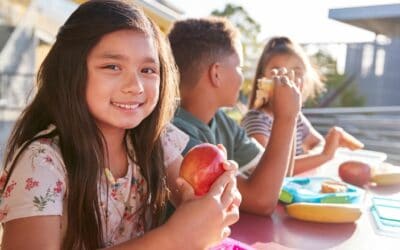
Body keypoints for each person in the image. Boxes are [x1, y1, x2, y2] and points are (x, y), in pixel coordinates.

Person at [0, 1, 241, 249]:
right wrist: (172, 239)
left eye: (148, 70)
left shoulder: (155, 139)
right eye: (113, 67)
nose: (135, 86)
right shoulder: (41, 164)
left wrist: (217, 193)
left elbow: (190, 197)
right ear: (70, 71)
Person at [168, 17, 301, 216]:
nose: (242, 77)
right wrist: (286, 118)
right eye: (239, 67)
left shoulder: (223, 123)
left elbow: (279, 178)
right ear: (216, 74)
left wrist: (289, 114)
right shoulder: (175, 133)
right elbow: (261, 200)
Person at [242, 36, 362, 175]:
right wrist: (324, 156)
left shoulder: (297, 118)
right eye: (277, 72)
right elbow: (269, 169)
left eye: (297, 72)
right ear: (262, 79)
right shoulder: (257, 119)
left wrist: (324, 149)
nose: (287, 79)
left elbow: (318, 143)